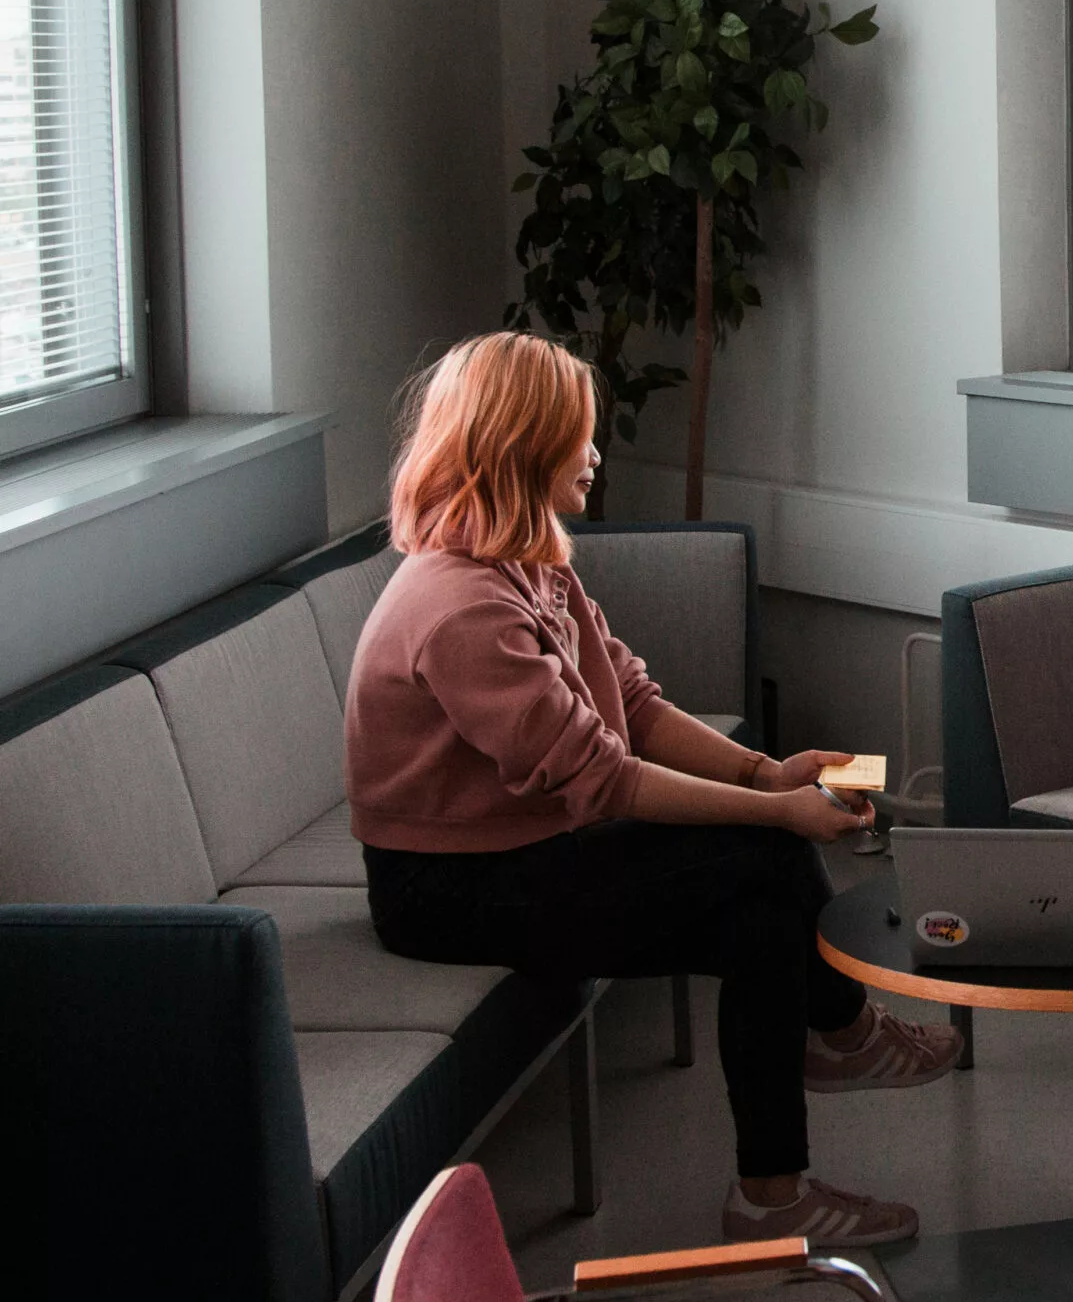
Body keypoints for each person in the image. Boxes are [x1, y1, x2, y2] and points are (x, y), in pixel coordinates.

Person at [345, 332, 960, 1249]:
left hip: (520, 849)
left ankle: (771, 1191)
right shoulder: (461, 605)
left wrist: (764, 771)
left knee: (760, 921)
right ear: (523, 447)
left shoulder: (530, 562)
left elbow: (629, 700)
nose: (595, 454)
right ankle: (842, 1030)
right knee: (768, 850)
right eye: (577, 438)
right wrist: (777, 810)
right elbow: (603, 779)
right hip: (446, 890)